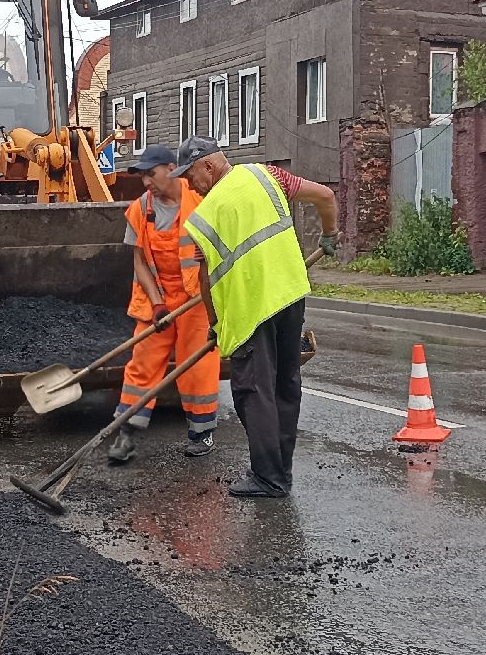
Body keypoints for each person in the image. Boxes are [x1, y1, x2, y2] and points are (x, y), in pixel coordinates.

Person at [174, 136, 339, 498]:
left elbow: (205, 280)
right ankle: (281, 469)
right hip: (291, 296)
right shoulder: (269, 176)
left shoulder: (204, 217)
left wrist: (216, 324)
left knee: (253, 392)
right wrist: (330, 235)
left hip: (251, 311)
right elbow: (326, 196)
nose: (189, 186)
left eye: (189, 177)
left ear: (208, 166)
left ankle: (268, 477)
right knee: (285, 384)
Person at [108, 143, 220, 466]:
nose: (146, 182)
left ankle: (201, 433)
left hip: (196, 298)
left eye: (150, 174)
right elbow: (140, 263)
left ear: (171, 169)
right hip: (158, 300)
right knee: (142, 365)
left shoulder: (201, 199)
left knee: (198, 363)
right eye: (142, 176)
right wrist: (158, 305)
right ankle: (126, 435)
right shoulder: (140, 210)